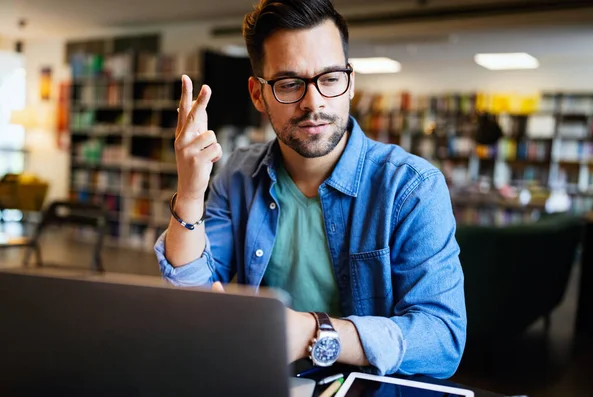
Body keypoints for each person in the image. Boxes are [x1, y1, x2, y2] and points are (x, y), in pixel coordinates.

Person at [154, 0, 466, 378]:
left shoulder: (413, 187)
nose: (314, 102)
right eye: (289, 84)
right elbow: (194, 290)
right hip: (264, 379)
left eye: (330, 78)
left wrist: (313, 333)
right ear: (258, 94)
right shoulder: (237, 173)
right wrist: (189, 193)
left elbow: (442, 339)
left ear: (350, 82)